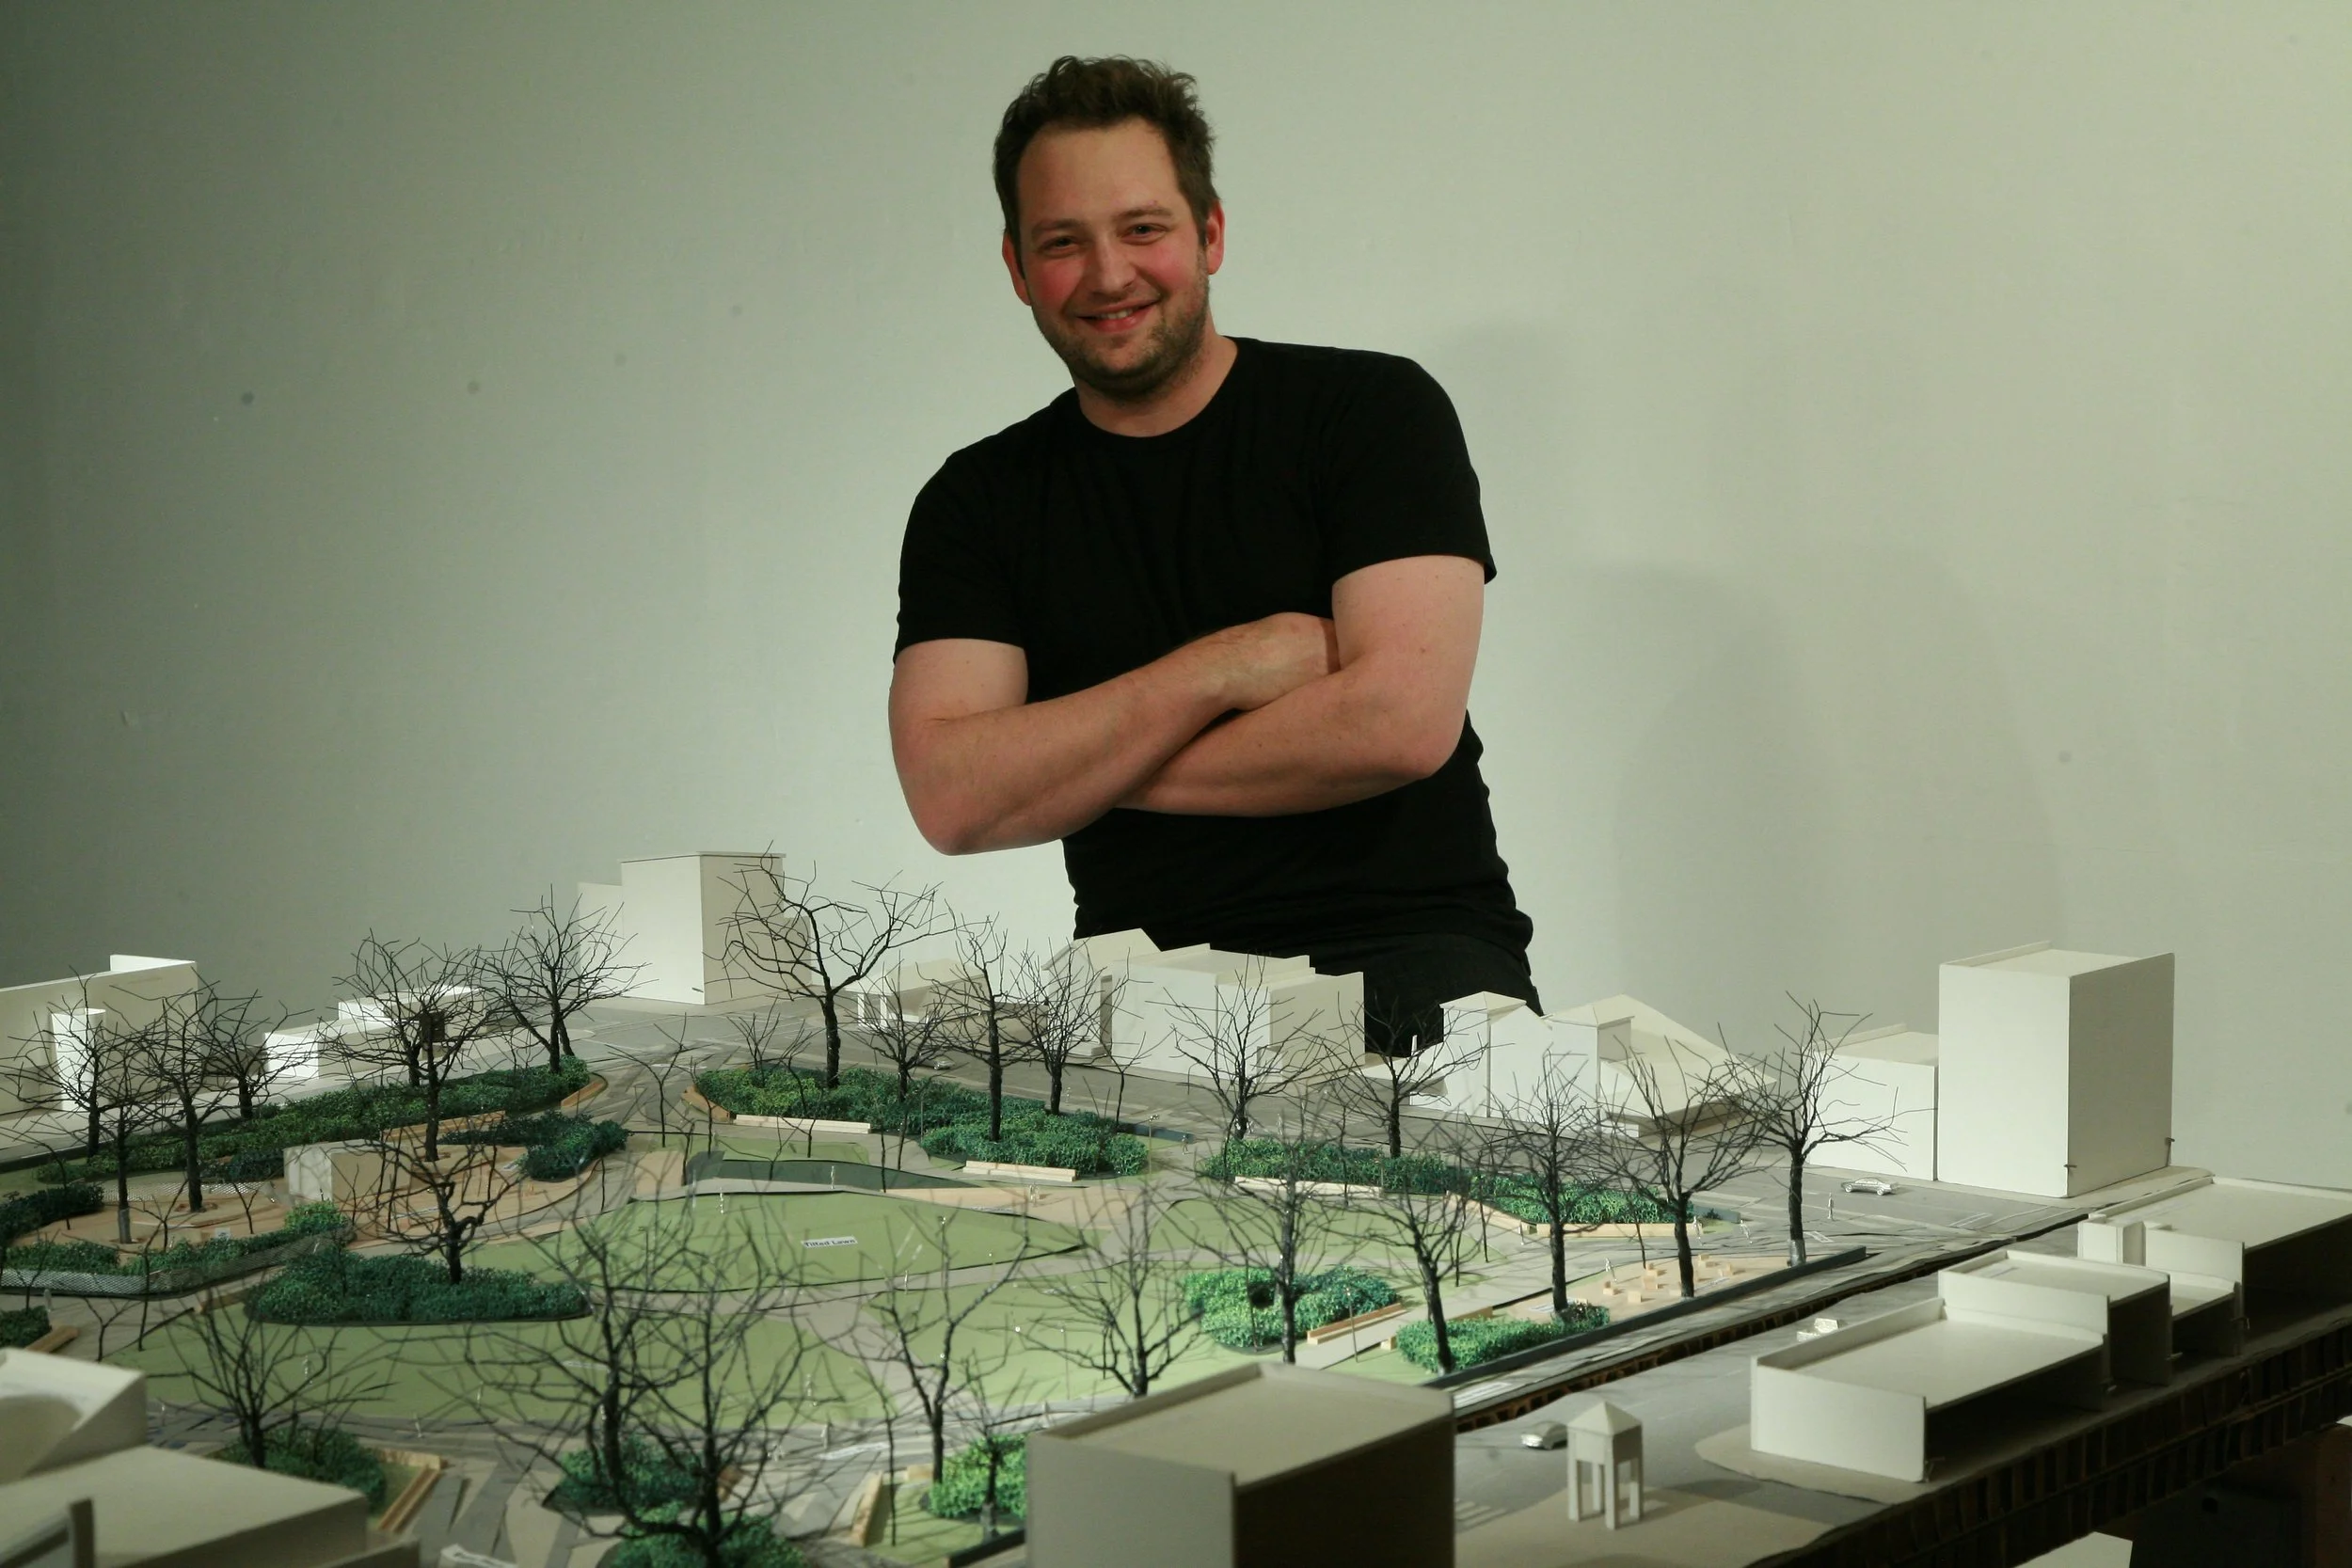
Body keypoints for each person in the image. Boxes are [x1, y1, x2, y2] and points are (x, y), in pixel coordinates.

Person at [889, 55, 1536, 1051]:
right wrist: (1224, 668)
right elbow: (950, 797)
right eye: (1063, 242)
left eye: (1143, 229)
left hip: (1417, 959)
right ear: (1017, 267)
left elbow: (1402, 725)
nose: (1109, 274)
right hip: (1144, 988)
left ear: (1211, 234)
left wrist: (1076, 763)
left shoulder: (1371, 415)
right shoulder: (976, 502)